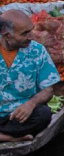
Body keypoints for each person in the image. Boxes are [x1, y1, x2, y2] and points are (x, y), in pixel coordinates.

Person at [0, 11, 59, 143]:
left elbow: (48, 90)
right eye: (25, 33)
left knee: (43, 114)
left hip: (18, 116)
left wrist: (31, 104)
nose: (31, 36)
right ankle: (7, 138)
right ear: (7, 35)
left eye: (30, 31)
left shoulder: (37, 51)